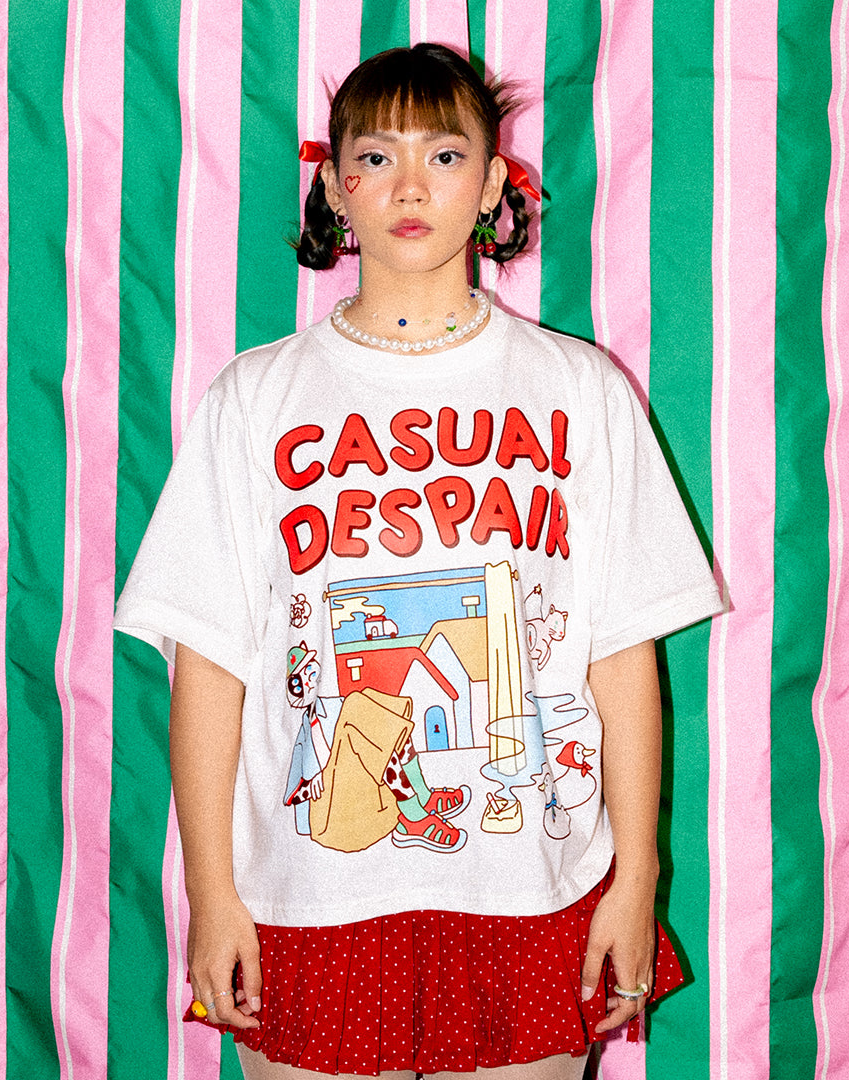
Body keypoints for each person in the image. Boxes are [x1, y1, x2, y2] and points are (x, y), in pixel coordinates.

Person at [114, 42, 722, 1080]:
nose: (408, 185)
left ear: (491, 185)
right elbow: (208, 664)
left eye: (443, 156)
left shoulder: (577, 388)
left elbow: (623, 654)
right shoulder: (254, 399)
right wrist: (211, 896)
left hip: (534, 894)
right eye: (375, 156)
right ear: (335, 187)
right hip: (306, 900)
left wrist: (637, 879)